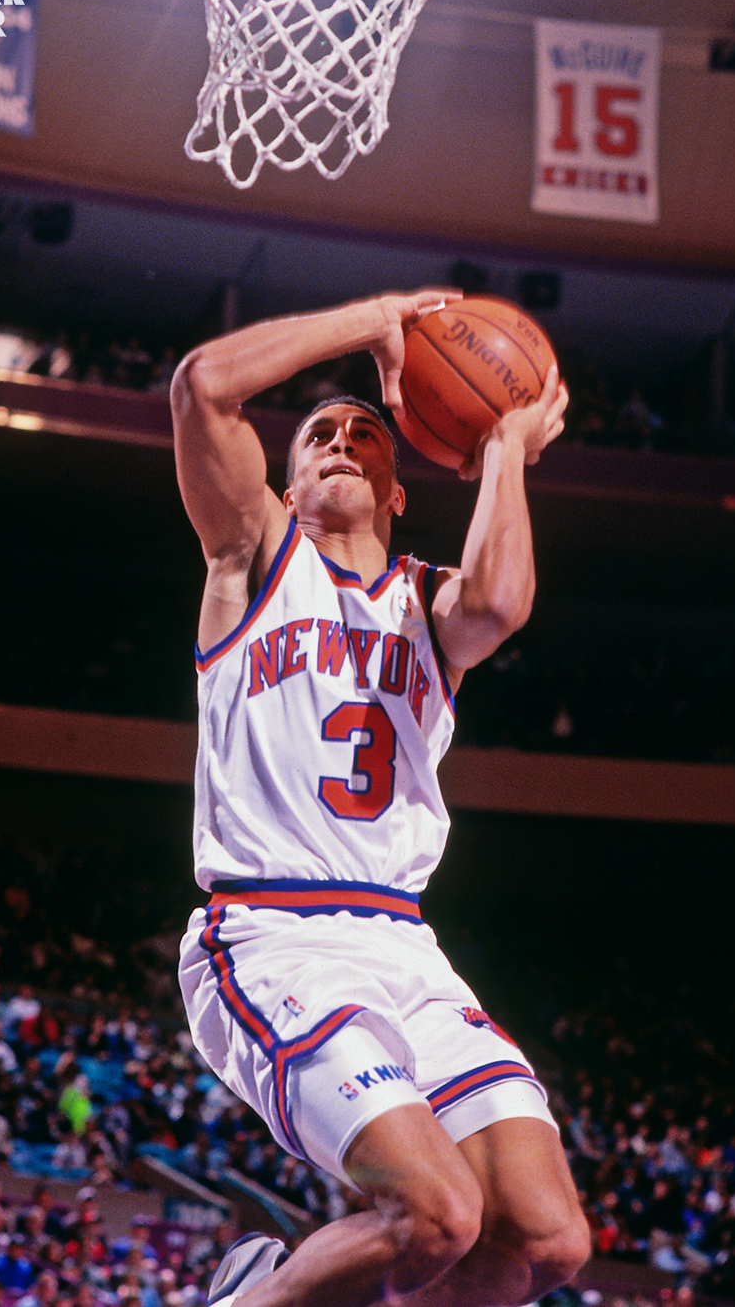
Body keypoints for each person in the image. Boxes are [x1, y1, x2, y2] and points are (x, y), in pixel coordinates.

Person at [170, 289, 590, 1307]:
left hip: (404, 945)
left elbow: (501, 600)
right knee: (434, 1213)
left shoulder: (429, 602)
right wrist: (383, 324)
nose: (345, 441)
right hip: (273, 937)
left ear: (402, 488)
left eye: (367, 433)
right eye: (320, 434)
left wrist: (502, 444)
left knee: (542, 1241)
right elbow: (204, 386)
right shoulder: (253, 556)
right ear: (289, 475)